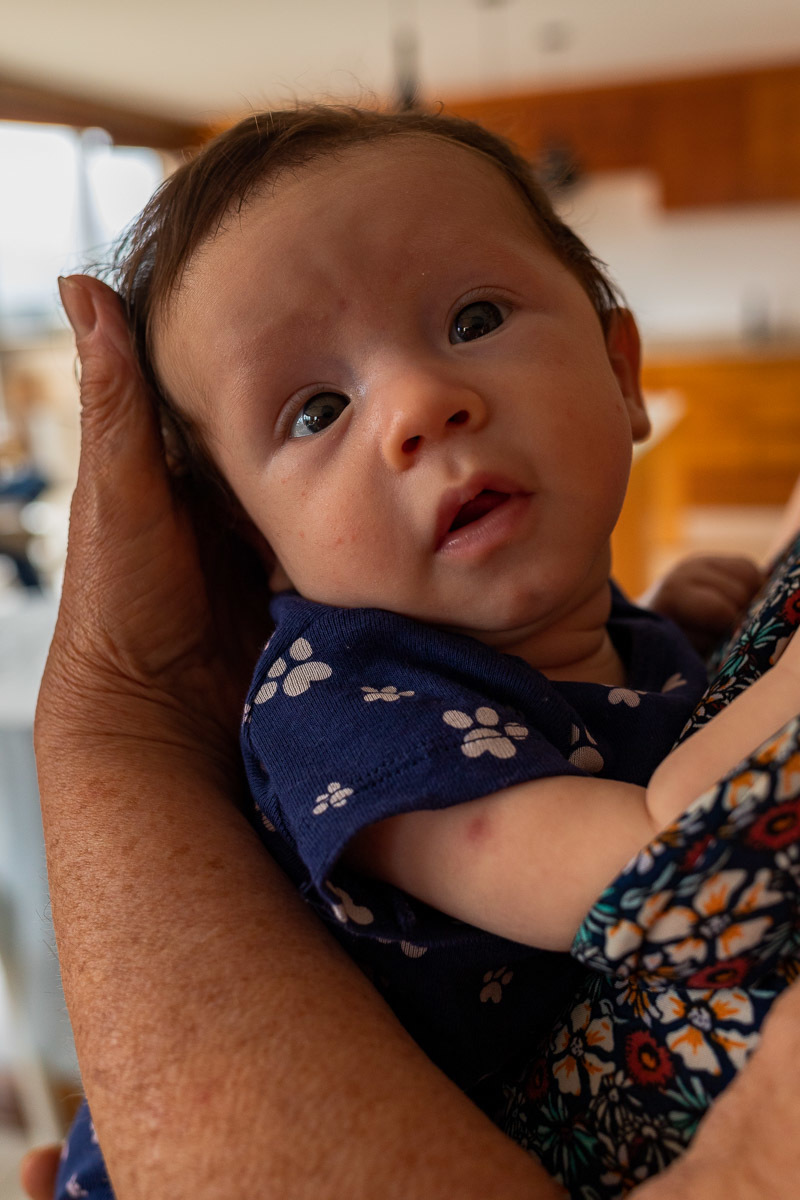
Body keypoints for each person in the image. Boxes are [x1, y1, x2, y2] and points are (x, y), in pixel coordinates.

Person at [36, 106, 800, 1199]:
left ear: (619, 369)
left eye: (473, 315)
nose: (417, 404)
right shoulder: (346, 712)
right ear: (258, 545)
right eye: (314, 411)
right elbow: (656, 866)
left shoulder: (592, 633)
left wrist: (692, 628)